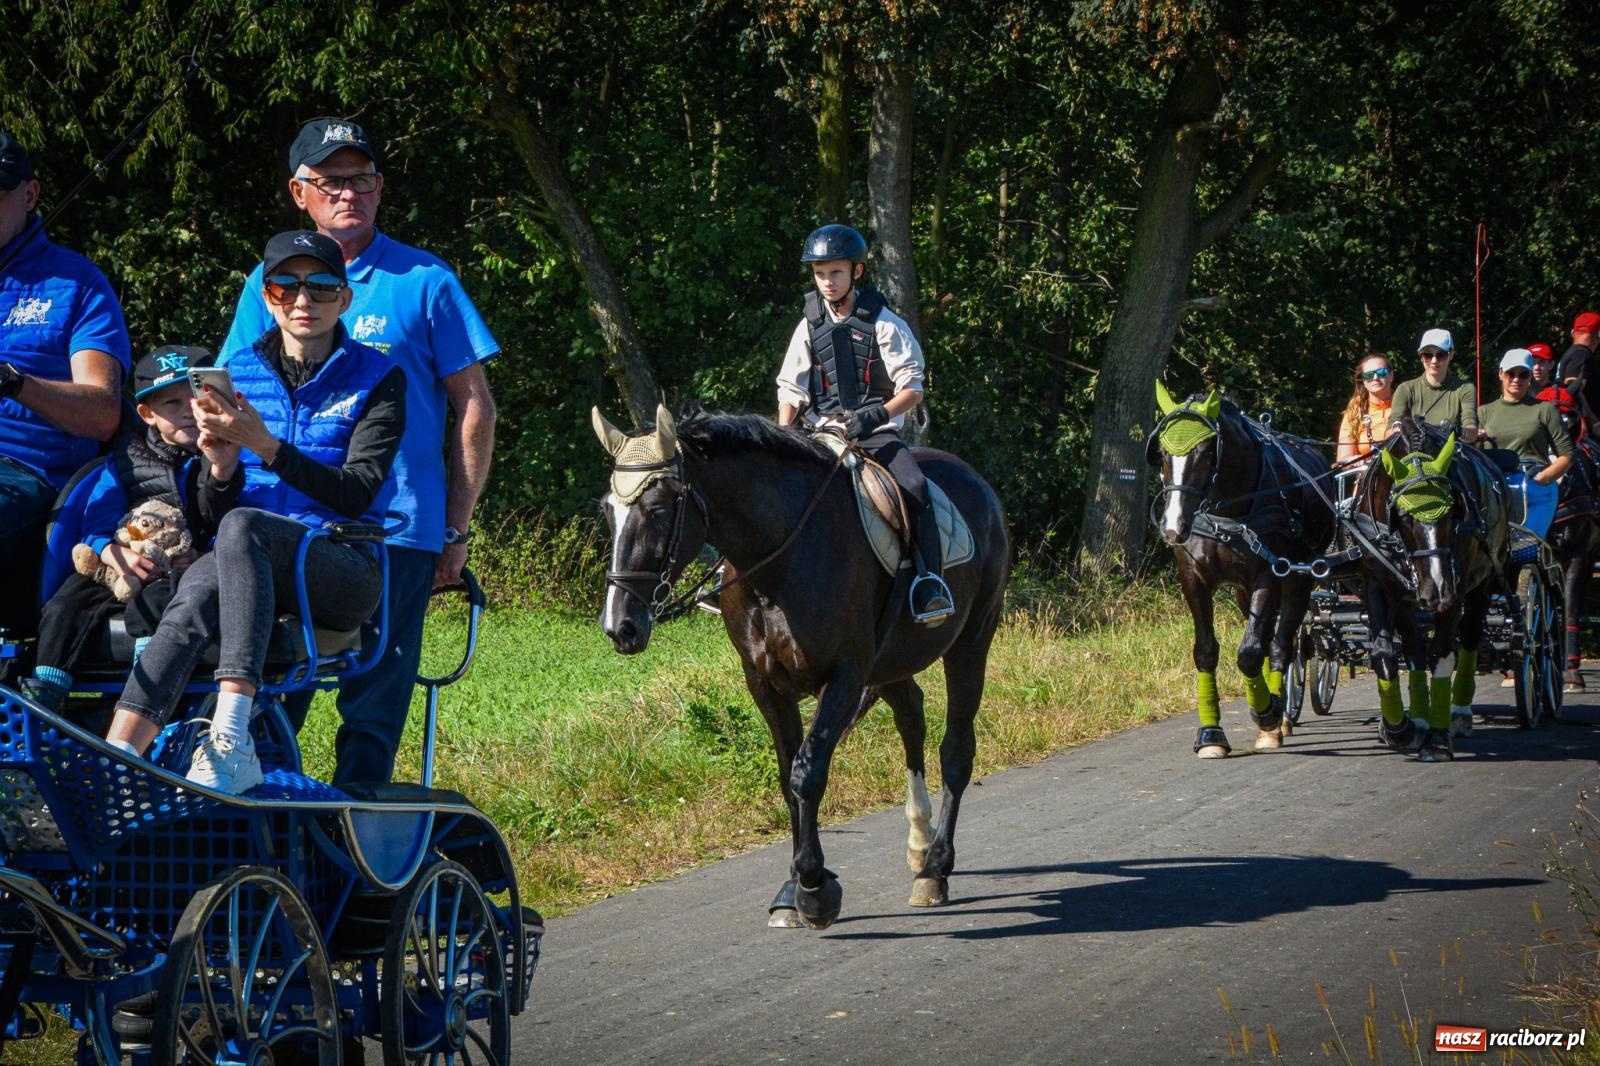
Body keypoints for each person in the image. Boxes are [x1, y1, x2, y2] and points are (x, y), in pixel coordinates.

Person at [218, 117, 497, 787]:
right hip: (291, 526)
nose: (349, 193)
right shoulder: (268, 282)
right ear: (299, 193)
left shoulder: (424, 280)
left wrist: (455, 527)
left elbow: (476, 407)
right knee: (275, 693)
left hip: (397, 528)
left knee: (375, 704)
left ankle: (359, 838)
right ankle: (269, 828)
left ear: (380, 187)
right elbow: (231, 398)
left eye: (362, 179)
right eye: (330, 181)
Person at [103, 231, 405, 793]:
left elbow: (358, 492)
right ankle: (117, 760)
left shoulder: (380, 377)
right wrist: (220, 469)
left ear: (344, 298)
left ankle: (231, 736)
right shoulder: (235, 371)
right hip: (245, 559)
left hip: (341, 564)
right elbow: (208, 518)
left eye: (321, 286)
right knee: (201, 580)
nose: (303, 299)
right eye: (286, 286)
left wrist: (264, 446)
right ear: (268, 297)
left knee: (241, 530)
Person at [20, 346, 225, 721]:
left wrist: (206, 554)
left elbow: (230, 517)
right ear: (147, 414)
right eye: (172, 402)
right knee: (65, 604)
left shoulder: (226, 457)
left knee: (157, 604)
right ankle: (44, 701)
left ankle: (144, 695)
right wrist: (109, 550)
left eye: (197, 399)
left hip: (183, 570)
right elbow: (96, 518)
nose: (188, 410)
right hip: (121, 563)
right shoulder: (127, 458)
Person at [775, 223, 953, 625]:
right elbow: (791, 388)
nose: (827, 281)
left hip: (876, 435)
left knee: (915, 486)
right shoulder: (807, 326)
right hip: (821, 435)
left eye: (835, 272)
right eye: (820, 273)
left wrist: (873, 416)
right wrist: (783, 434)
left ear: (856, 271)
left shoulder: (886, 324)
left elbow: (912, 389)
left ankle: (929, 582)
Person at [0, 130, 131, 642]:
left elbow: (102, 413)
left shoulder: (77, 284)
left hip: (29, 472)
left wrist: (12, 382)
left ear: (29, 194)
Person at [1477, 347, 1574, 541]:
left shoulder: (1544, 410)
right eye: (1510, 373)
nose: (1516, 379)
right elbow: (1473, 454)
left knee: (1525, 549)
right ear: (1500, 374)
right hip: (1495, 489)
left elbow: (1567, 455)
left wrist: (1544, 478)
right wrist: (1475, 439)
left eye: (1523, 374)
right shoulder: (1484, 412)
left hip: (1533, 487)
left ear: (1530, 377)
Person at [1389, 328, 1482, 443]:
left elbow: (1471, 428)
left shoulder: (1465, 388)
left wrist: (1459, 431)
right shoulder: (1405, 389)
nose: (1434, 360)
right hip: (1415, 451)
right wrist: (1407, 431)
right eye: (1428, 355)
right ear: (1421, 357)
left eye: (1441, 355)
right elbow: (1390, 430)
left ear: (1451, 355)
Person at [1336, 352, 1395, 462]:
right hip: (1369, 471)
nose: (1375, 377)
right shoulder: (1354, 413)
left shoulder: (1406, 404)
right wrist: (1353, 460)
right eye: (1369, 375)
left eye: (1381, 372)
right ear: (1364, 382)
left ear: (1391, 376)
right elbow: (1343, 459)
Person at [1557, 311, 1600, 435]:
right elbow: (1574, 390)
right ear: (1598, 334)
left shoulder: (1573, 353)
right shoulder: (1581, 354)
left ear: (1573, 333)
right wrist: (1595, 423)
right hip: (1581, 431)